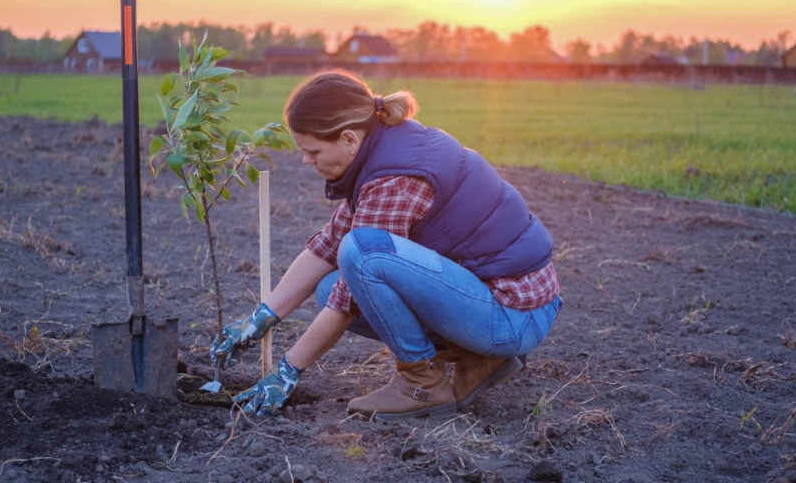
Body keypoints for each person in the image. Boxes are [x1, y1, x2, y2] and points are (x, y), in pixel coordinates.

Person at [212, 69, 562, 420]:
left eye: (312, 150)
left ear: (349, 139)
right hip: (494, 301)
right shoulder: (382, 150)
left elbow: (351, 285)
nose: (306, 160)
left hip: (514, 317)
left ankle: (423, 383)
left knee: (361, 255)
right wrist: (259, 319)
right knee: (328, 285)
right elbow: (327, 245)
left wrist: (287, 372)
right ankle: (476, 358)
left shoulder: (395, 178)